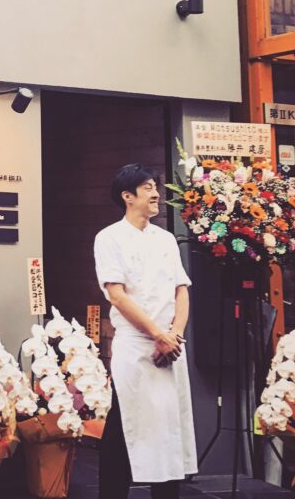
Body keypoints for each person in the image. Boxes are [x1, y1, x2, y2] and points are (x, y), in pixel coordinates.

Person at [93, 164, 197, 499]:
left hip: (170, 347)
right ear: (128, 196)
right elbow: (117, 295)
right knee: (126, 427)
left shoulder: (165, 239)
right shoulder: (109, 238)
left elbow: (181, 289)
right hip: (137, 348)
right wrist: (157, 334)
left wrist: (174, 334)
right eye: (148, 188)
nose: (156, 194)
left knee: (168, 432)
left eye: (156, 187)